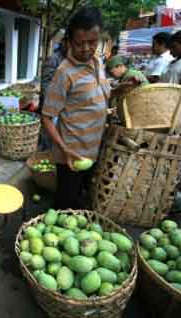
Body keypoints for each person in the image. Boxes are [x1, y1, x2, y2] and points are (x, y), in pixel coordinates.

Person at [42, 7, 110, 210]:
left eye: (92, 42)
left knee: (81, 197)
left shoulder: (98, 62)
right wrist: (65, 150)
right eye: (80, 43)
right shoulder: (64, 73)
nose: (87, 48)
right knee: (65, 202)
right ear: (69, 41)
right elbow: (46, 117)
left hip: (94, 148)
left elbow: (96, 95)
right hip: (71, 153)